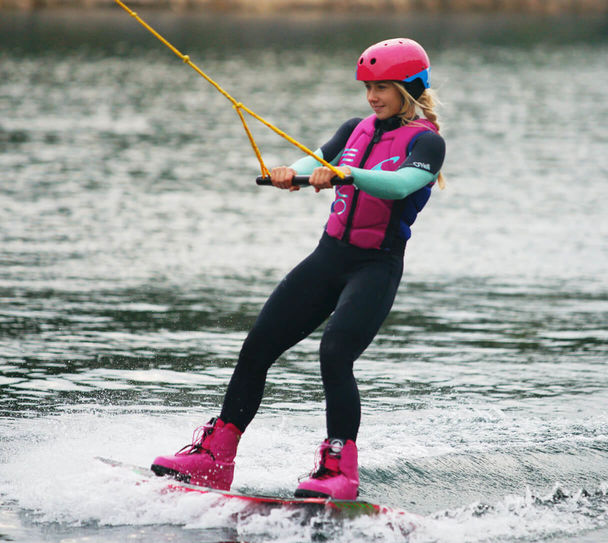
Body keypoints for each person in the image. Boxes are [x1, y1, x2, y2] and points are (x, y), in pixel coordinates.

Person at [151, 38, 446, 501]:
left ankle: (338, 471)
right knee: (257, 346)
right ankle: (215, 458)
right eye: (368, 86)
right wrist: (290, 172)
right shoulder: (356, 128)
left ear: (410, 86)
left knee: (335, 354)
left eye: (383, 87)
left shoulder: (428, 142)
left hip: (375, 267)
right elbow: (318, 160)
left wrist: (348, 175)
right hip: (327, 258)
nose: (372, 96)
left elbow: (400, 183)